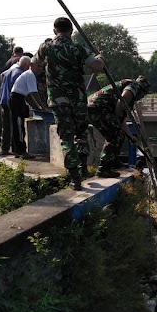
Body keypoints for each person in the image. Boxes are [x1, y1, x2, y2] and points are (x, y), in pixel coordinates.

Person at [33, 17, 104, 190]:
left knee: (66, 136)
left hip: (58, 99)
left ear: (54, 31)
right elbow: (96, 66)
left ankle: (75, 177)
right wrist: (101, 58)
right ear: (71, 31)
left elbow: (34, 66)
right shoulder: (78, 47)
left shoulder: (46, 47)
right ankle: (84, 168)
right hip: (77, 98)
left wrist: (47, 74)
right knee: (81, 132)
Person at [87, 76, 149, 177]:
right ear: (142, 89)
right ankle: (104, 168)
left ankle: (113, 161)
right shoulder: (134, 86)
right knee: (115, 136)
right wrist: (116, 117)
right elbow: (123, 98)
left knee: (118, 135)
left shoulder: (130, 95)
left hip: (95, 108)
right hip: (98, 108)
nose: (142, 97)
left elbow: (121, 120)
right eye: (144, 94)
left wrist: (130, 137)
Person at [9, 56, 46, 159]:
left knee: (18, 126)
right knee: (19, 126)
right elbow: (33, 93)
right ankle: (21, 151)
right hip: (16, 99)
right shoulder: (30, 75)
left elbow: (28, 96)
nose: (39, 69)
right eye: (38, 66)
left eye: (41, 67)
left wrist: (36, 107)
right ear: (31, 65)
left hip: (19, 98)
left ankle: (17, 150)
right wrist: (41, 106)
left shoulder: (28, 75)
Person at [0, 56, 25, 155]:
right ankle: (17, 150)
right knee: (15, 125)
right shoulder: (18, 73)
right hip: (10, 101)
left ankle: (5, 148)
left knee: (6, 126)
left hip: (3, 99)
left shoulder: (10, 70)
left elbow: (1, 75)